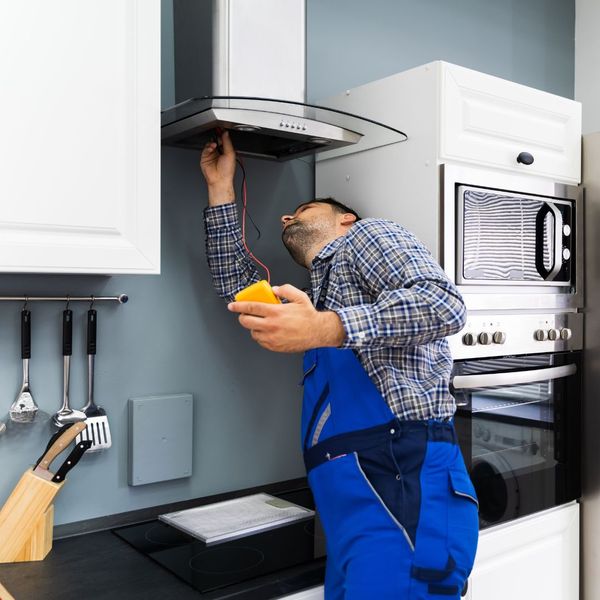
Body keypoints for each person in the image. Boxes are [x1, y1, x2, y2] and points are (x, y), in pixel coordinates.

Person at [200, 131, 479, 600]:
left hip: (403, 482)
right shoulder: (318, 299)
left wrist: (326, 330)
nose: (289, 215)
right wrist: (220, 185)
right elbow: (236, 287)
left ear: (345, 219)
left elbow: (443, 305)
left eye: (305, 209)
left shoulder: (369, 235)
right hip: (354, 504)